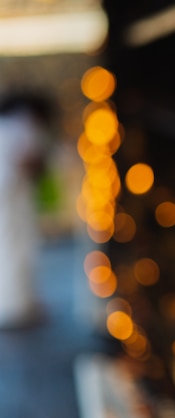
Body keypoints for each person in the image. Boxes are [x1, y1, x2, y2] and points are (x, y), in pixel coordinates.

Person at [0, 90, 54, 329]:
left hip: (10, 194)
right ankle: (15, 307)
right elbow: (29, 160)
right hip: (11, 195)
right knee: (16, 249)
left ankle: (17, 305)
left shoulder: (6, 124)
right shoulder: (23, 125)